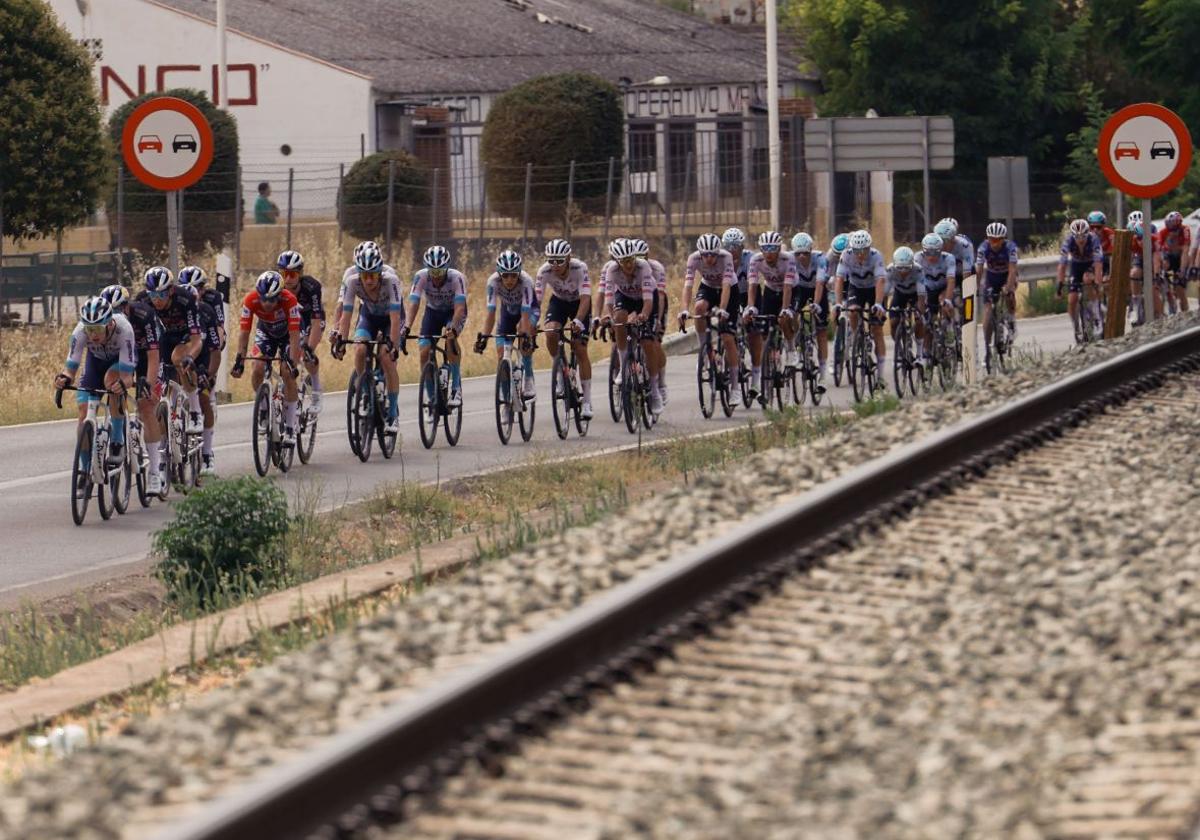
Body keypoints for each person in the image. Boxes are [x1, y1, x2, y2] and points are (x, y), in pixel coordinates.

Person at [328, 241, 405, 434]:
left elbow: (396, 319)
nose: (368, 280)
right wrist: (341, 340)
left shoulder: (391, 280)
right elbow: (346, 313)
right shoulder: (352, 280)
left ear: (380, 273)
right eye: (364, 275)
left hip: (390, 319)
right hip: (369, 316)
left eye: (372, 275)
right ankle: (364, 390)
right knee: (360, 348)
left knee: (386, 358)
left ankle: (393, 413)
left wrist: (394, 345)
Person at [54, 297, 136, 472]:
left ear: (110, 324)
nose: (93, 335)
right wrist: (64, 379)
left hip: (118, 364)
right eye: (89, 329)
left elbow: (127, 377)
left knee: (112, 382)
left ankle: (116, 442)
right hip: (95, 364)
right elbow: (70, 368)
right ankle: (84, 471)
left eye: (98, 329)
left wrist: (123, 383)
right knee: (83, 414)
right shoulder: (80, 331)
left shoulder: (124, 330)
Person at [99, 284, 164, 493]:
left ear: (127, 307)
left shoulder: (144, 315)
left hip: (147, 356)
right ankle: (119, 435)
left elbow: (154, 355)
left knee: (146, 406)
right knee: (113, 386)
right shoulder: (107, 323)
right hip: (123, 357)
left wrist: (149, 383)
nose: (115, 316)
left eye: (119, 310)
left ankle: (155, 471)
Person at [230, 271, 303, 445]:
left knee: (287, 372)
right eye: (263, 298)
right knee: (257, 367)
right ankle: (263, 410)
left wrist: (293, 363)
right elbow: (244, 333)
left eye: (271, 299)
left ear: (279, 295)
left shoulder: (289, 300)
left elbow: (294, 336)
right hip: (266, 332)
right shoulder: (250, 300)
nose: (267, 303)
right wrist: (239, 360)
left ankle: (291, 425)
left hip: (287, 335)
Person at [136, 266, 203, 443]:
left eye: (162, 295)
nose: (157, 300)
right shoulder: (143, 301)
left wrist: (191, 356)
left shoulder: (185, 299)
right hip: (163, 338)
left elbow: (197, 340)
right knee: (158, 383)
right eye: (153, 295)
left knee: (178, 359)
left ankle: (195, 412)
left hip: (185, 335)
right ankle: (165, 440)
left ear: (171, 291)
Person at [601, 238, 662, 413]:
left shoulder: (644, 267)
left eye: (630, 259)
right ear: (617, 261)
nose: (628, 264)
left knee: (648, 343)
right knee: (619, 318)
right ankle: (623, 366)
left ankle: (655, 390)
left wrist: (643, 315)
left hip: (646, 298)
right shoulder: (611, 270)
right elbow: (609, 300)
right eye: (623, 261)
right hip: (625, 297)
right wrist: (611, 318)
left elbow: (649, 301)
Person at [403, 245, 467, 407]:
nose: (436, 276)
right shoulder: (421, 277)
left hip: (453, 313)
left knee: (449, 341)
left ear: (446, 269)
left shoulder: (456, 278)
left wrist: (453, 326)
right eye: (432, 272)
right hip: (432, 312)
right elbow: (414, 303)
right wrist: (407, 327)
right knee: (424, 351)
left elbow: (460, 308)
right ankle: (431, 396)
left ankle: (456, 387)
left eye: (439, 272)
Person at [535, 239, 593, 418]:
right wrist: (533, 321)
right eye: (551, 260)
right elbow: (536, 301)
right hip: (559, 302)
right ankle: (560, 368)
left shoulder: (579, 268)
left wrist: (578, 321)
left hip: (579, 304)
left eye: (559, 261)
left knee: (580, 347)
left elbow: (585, 299)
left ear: (568, 258)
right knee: (551, 331)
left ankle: (587, 402)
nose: (555, 265)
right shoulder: (544, 271)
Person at [178, 265, 225, 475]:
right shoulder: (175, 308)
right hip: (183, 350)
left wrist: (210, 375)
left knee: (205, 398)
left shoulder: (209, 306)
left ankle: (207, 453)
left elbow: (218, 343)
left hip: (205, 352)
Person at [679, 233, 739, 389]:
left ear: (718, 252)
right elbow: (688, 286)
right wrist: (684, 310)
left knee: (727, 338)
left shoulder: (726, 257)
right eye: (705, 255)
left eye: (713, 254)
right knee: (699, 308)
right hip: (709, 287)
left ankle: (735, 387)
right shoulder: (693, 259)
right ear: (700, 253)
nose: (709, 258)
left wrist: (722, 309)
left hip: (729, 289)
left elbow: (726, 286)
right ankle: (705, 350)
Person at [476, 250, 539, 399]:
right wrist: (484, 337)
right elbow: (491, 313)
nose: (509, 279)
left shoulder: (526, 282)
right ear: (499, 274)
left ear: (519, 273)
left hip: (529, 311)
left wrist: (525, 336)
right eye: (505, 275)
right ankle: (505, 401)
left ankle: (528, 379)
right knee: (501, 356)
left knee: (524, 339)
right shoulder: (493, 282)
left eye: (513, 275)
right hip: (508, 313)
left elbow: (525, 314)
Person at [742, 231, 798, 399]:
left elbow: (788, 288)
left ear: (779, 249)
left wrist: (785, 309)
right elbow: (753, 285)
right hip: (771, 290)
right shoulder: (756, 260)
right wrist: (751, 307)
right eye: (765, 249)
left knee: (783, 319)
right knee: (764, 329)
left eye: (773, 249)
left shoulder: (788, 259)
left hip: (792, 290)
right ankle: (770, 359)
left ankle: (790, 348)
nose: (769, 253)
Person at [833, 229, 888, 382]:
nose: (860, 254)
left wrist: (878, 304)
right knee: (852, 311)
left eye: (863, 250)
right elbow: (839, 279)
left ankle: (881, 376)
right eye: (857, 250)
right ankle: (857, 336)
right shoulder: (846, 255)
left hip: (873, 289)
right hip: (856, 288)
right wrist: (838, 303)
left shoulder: (876, 256)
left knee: (877, 330)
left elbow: (880, 281)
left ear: (869, 248)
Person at [276, 250, 326, 415]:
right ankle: (288, 388)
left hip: (311, 319)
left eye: (292, 274)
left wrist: (309, 348)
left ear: (300, 274)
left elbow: (317, 321)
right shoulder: (276, 289)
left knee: (305, 353)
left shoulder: (312, 287)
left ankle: (317, 390)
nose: (288, 279)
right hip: (290, 320)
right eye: (284, 274)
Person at [632, 238, 669, 408]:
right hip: (634, 299)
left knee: (653, 342)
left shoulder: (656, 268)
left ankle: (660, 382)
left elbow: (660, 297)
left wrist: (658, 320)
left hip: (654, 302)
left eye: (642, 257)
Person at [790, 232, 828, 391]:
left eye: (805, 253)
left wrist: (817, 304)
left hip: (817, 290)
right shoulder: (790, 259)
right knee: (792, 314)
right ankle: (796, 344)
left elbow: (820, 283)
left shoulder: (820, 258)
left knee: (821, 331)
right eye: (798, 253)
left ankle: (823, 375)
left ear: (811, 250)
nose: (801, 257)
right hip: (800, 290)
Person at [1056, 219, 1104, 341]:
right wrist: (1059, 286)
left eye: (1083, 236)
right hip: (1076, 266)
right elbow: (1062, 265)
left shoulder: (1094, 239)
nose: (1081, 240)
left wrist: (1098, 284)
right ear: (1073, 236)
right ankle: (1076, 327)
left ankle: (1097, 317)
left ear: (1088, 234)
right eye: (1077, 237)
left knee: (1087, 279)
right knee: (1072, 300)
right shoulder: (1068, 241)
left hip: (1090, 264)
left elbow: (1098, 264)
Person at [975, 222, 1019, 354]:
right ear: (987, 238)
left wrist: (1009, 287)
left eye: (998, 240)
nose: (994, 243)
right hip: (992, 278)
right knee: (988, 310)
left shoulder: (1010, 248)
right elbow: (979, 270)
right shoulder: (983, 248)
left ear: (1003, 239)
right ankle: (987, 346)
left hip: (1007, 276)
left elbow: (1012, 270)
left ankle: (1011, 320)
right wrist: (977, 286)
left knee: (1008, 294)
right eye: (991, 239)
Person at [916, 232, 958, 359]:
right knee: (926, 319)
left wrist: (948, 300)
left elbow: (951, 280)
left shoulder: (948, 258)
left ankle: (950, 329)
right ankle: (927, 351)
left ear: (941, 250)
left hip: (943, 287)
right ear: (923, 251)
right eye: (928, 253)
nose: (931, 256)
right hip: (927, 288)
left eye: (935, 253)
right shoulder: (917, 258)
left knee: (944, 303)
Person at [885, 246, 925, 366]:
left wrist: (920, 312)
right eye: (899, 268)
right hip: (900, 294)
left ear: (912, 265)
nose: (903, 272)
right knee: (893, 323)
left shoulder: (918, 270)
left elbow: (922, 295)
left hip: (915, 294)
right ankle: (900, 349)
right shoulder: (890, 270)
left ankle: (919, 353)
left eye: (906, 268)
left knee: (919, 321)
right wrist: (882, 308)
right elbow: (885, 293)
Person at [1157, 211, 1192, 312]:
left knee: (1179, 287)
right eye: (1169, 229)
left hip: (1181, 258)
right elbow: (1158, 251)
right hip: (1168, 257)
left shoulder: (1185, 230)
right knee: (1164, 263)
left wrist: (1182, 270)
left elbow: (1185, 251)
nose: (1172, 233)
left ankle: (1185, 310)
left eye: (1174, 230)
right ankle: (1167, 291)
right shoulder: (1163, 232)